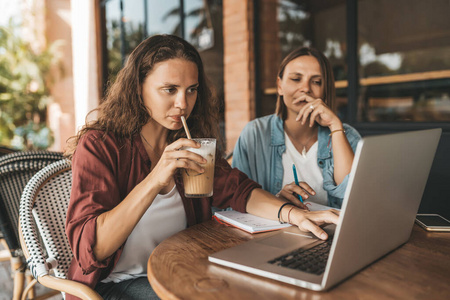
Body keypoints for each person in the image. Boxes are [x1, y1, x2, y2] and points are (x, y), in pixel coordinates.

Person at [64, 35, 339, 300]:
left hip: (182, 269)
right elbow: (93, 249)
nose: (183, 104)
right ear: (138, 87)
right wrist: (154, 180)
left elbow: (238, 190)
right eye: (169, 90)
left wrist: (293, 215)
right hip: (116, 284)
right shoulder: (100, 146)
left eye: (191, 90)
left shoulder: (189, 144)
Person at [232, 47, 361, 209]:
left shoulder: (347, 135)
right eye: (296, 79)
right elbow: (235, 201)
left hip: (332, 233)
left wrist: (335, 127)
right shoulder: (255, 133)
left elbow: (355, 199)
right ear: (280, 86)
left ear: (325, 90)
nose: (305, 88)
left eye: (316, 82)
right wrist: (277, 203)